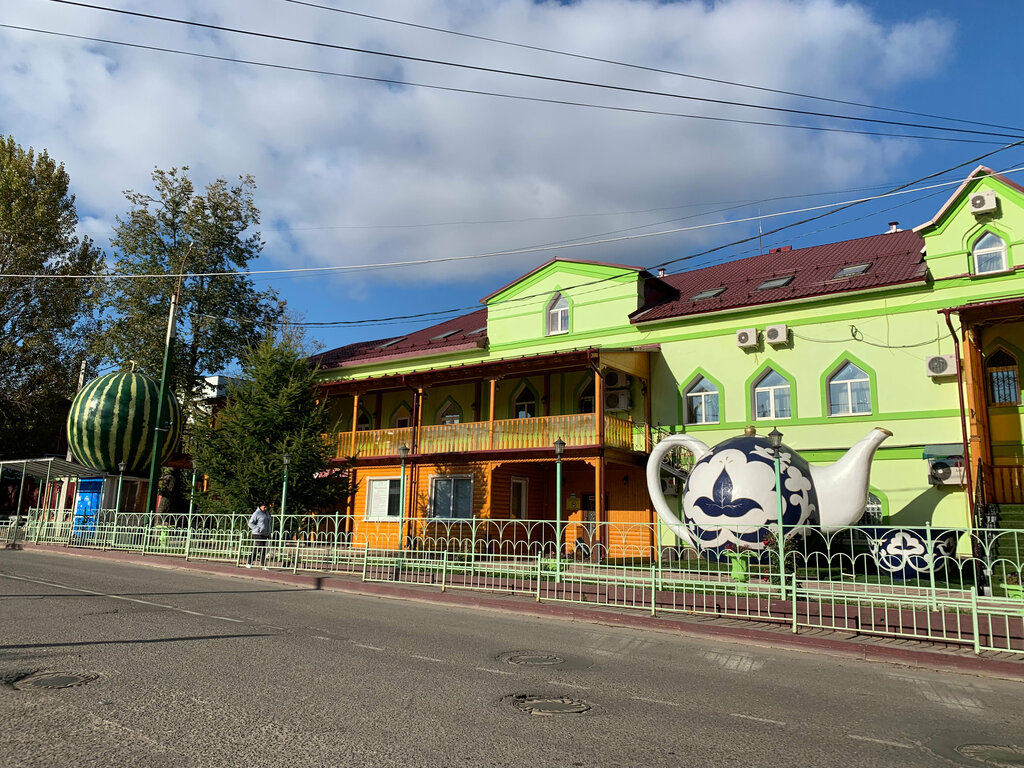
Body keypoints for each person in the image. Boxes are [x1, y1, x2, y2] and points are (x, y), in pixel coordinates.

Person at [246, 503, 272, 569]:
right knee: (261, 547)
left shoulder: (267, 513)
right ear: (260, 506)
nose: (265, 508)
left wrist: (268, 533)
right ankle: (260, 564)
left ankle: (251, 563)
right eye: (264, 507)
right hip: (257, 533)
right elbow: (250, 523)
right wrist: (257, 528)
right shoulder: (256, 513)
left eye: (266, 507)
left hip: (264, 534)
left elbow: (268, 524)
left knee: (259, 548)